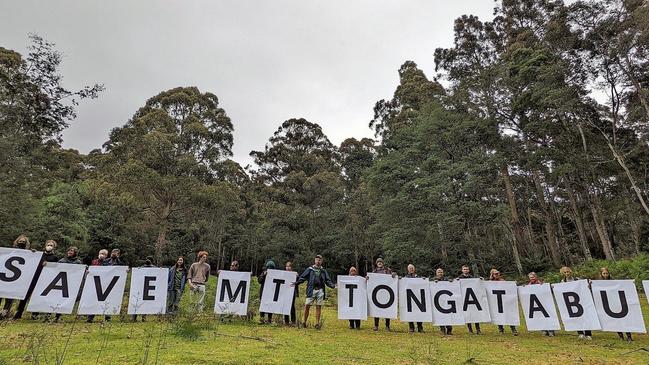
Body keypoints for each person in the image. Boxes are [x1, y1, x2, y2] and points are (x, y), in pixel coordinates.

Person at [294, 254, 335, 329]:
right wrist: (296, 283)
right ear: (314, 260)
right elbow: (302, 278)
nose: (318, 261)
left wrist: (332, 286)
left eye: (319, 260)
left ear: (321, 261)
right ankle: (304, 322)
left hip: (320, 290)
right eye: (317, 260)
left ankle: (317, 323)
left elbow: (327, 280)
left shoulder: (323, 271)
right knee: (307, 306)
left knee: (318, 306)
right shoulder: (310, 269)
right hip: (311, 290)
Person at [0, 235, 31, 320]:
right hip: (4, 276)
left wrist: (34, 253)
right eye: (20, 241)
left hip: (16, 279)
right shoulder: (10, 251)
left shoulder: (28, 253)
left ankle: (4, 313)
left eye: (23, 242)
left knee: (9, 298)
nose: (22, 243)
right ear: (17, 241)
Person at [599, 267, 633, 343]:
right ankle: (621, 336)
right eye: (604, 273)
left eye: (606, 273)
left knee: (624, 319)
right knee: (615, 320)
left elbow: (622, 286)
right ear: (601, 274)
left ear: (609, 273)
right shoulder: (598, 283)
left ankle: (629, 336)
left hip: (618, 302)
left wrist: (630, 284)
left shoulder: (614, 281)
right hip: (609, 304)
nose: (605, 275)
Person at [51, 246, 83, 323]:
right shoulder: (62, 261)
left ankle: (58, 316)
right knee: (56, 299)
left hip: (71, 283)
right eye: (69, 250)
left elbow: (80, 272)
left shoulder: (78, 262)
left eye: (72, 251)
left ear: (75, 253)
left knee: (64, 299)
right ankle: (49, 316)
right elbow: (55, 269)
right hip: (60, 282)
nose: (70, 252)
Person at [560, 266, 592, 340]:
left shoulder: (577, 279)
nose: (567, 273)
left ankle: (588, 334)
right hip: (571, 302)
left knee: (585, 317)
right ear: (563, 273)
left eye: (568, 272)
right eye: (565, 272)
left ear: (570, 272)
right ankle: (580, 333)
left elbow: (584, 286)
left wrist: (589, 282)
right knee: (576, 317)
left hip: (581, 300)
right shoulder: (563, 281)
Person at [488, 268, 518, 336]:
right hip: (495, 302)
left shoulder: (502, 281)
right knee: (498, 315)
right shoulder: (489, 283)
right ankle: (501, 329)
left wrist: (513, 284)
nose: (497, 274)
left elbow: (509, 288)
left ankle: (513, 329)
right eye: (495, 274)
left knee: (508, 314)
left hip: (504, 301)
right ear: (492, 275)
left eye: (498, 273)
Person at [369, 258, 396, 331]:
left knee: (387, 309)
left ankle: (387, 326)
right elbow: (370, 280)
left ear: (383, 263)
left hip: (386, 292)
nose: (379, 263)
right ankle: (376, 325)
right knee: (376, 308)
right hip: (377, 293)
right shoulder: (374, 271)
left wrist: (394, 274)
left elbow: (393, 276)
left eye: (381, 262)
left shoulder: (388, 270)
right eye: (378, 262)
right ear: (376, 263)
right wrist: (368, 278)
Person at [527, 272, 554, 337]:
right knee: (539, 317)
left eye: (533, 277)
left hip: (544, 303)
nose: (532, 279)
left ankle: (551, 330)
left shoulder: (541, 283)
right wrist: (524, 288)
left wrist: (550, 287)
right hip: (536, 304)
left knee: (548, 316)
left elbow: (548, 291)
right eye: (530, 278)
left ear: (536, 277)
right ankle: (544, 330)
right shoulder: (529, 285)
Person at [457, 265, 481, 335]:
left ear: (469, 270)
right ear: (462, 270)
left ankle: (478, 329)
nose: (466, 270)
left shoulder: (472, 278)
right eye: (464, 269)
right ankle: (470, 329)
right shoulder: (459, 278)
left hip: (473, 299)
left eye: (467, 269)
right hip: (464, 299)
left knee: (475, 314)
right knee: (467, 314)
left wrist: (480, 280)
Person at [86, 248, 109, 323]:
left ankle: (107, 317)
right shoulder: (94, 262)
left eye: (104, 254)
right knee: (93, 300)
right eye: (101, 253)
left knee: (106, 300)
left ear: (106, 256)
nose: (102, 255)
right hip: (95, 284)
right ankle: (90, 318)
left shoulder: (108, 263)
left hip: (105, 284)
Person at [131, 256, 156, 322]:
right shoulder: (141, 267)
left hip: (146, 287)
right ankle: (137, 317)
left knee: (142, 302)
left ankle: (141, 317)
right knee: (139, 301)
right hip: (141, 287)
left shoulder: (153, 268)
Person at [431, 268, 453, 335]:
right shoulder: (433, 280)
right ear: (436, 273)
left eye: (441, 272)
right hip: (438, 301)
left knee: (448, 315)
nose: (440, 273)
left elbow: (453, 284)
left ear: (443, 273)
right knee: (440, 315)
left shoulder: (446, 279)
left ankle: (449, 329)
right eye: (438, 272)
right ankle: (442, 329)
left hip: (447, 301)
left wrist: (452, 281)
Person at [405, 264, 424, 333]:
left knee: (419, 312)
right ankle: (411, 327)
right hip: (409, 297)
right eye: (410, 268)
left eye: (412, 268)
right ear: (408, 269)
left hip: (418, 297)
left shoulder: (419, 277)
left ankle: (420, 327)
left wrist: (424, 279)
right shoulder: (405, 278)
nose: (411, 269)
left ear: (414, 269)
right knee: (410, 312)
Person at [258, 260, 275, 324]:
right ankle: (262, 319)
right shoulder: (264, 272)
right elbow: (259, 281)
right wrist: (264, 275)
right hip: (263, 292)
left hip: (271, 292)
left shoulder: (275, 274)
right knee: (262, 306)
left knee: (270, 306)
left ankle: (269, 320)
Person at [284, 261, 298, 326]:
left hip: (292, 292)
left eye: (289, 266)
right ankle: (286, 321)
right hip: (284, 292)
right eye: (287, 266)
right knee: (285, 306)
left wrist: (297, 276)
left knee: (292, 306)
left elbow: (298, 282)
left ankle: (293, 321)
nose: (288, 267)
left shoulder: (294, 274)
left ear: (291, 267)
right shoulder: (283, 274)